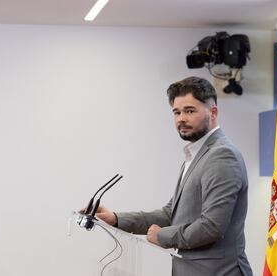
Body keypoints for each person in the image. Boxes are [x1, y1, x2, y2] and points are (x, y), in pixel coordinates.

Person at [95, 76, 253, 276]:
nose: (181, 119)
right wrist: (116, 219)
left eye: (189, 111)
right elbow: (171, 215)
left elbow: (212, 226)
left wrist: (162, 236)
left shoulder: (221, 155)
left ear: (213, 112)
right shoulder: (195, 155)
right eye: (176, 112)